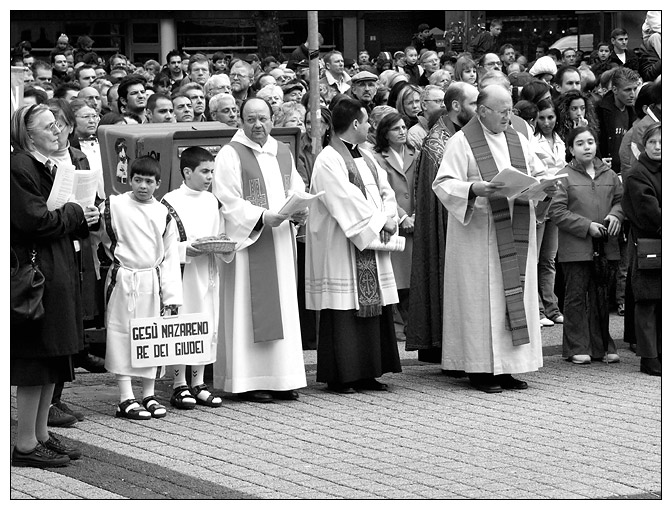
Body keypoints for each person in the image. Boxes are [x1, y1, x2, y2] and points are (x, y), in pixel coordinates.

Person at [432, 85, 551, 393]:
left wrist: (544, 186)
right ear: (483, 111)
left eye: (510, 110)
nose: (508, 117)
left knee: (511, 299)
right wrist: (474, 189)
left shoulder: (519, 139)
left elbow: (537, 173)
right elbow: (444, 183)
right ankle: (480, 369)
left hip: (515, 230)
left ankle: (510, 368)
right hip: (478, 237)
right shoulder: (462, 141)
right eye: (502, 111)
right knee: (482, 302)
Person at [11, 104, 99, 467]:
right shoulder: (19, 167)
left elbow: (60, 219)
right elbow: (34, 221)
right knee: (37, 359)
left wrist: (85, 217)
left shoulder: (53, 165)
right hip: (37, 270)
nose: (57, 132)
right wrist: (76, 213)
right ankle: (25, 443)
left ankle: (42, 432)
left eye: (59, 126)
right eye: (48, 127)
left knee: (55, 356)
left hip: (58, 266)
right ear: (27, 133)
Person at [211, 97, 307, 403]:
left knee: (284, 309)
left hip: (279, 243)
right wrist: (263, 217)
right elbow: (227, 200)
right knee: (249, 310)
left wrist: (301, 209)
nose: (258, 125)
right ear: (241, 121)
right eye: (251, 119)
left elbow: (295, 188)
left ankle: (283, 377)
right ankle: (250, 380)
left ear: (273, 119)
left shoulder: (282, 151)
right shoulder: (231, 153)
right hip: (250, 244)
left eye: (263, 119)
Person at [306, 97, 402, 394]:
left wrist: (389, 216)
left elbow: (386, 190)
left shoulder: (367, 155)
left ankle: (368, 372)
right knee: (344, 308)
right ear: (356, 124)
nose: (371, 126)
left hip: (370, 240)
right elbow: (343, 200)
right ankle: (343, 375)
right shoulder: (328, 159)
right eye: (367, 121)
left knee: (373, 307)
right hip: (341, 245)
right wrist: (379, 222)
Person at [99, 156, 183, 420]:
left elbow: (170, 257)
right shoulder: (113, 206)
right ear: (130, 179)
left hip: (152, 280)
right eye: (137, 180)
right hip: (124, 278)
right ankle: (125, 396)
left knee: (151, 337)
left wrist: (172, 297)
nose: (142, 186)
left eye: (149, 181)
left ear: (158, 184)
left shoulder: (163, 213)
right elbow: (99, 235)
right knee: (121, 334)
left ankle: (149, 393)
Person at [406, 82, 478, 363]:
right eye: (473, 103)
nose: (477, 108)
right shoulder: (439, 143)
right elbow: (440, 196)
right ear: (456, 106)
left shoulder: (462, 134)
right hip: (448, 224)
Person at [548, 126, 623, 365]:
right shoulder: (563, 176)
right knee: (576, 297)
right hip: (576, 248)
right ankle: (576, 346)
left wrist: (616, 215)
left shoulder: (609, 174)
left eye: (590, 142)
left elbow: (621, 201)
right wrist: (586, 225)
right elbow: (557, 211)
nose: (587, 147)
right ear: (571, 149)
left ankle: (602, 346)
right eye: (580, 143)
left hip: (605, 246)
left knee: (601, 297)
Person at [161, 147, 228, 409]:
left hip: (208, 270)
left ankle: (198, 382)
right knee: (183, 325)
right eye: (205, 171)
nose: (210, 177)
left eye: (212, 171)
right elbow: (163, 244)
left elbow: (218, 232)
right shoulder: (170, 200)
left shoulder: (211, 200)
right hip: (183, 273)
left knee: (206, 324)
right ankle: (179, 384)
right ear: (187, 172)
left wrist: (222, 245)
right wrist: (184, 249)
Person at [621, 123, 661, 376]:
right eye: (653, 142)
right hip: (648, 243)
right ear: (643, 145)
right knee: (647, 301)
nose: (658, 147)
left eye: (663, 142)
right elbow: (648, 213)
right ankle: (649, 357)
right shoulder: (638, 173)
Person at [373, 111, 418, 336]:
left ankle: (411, 324)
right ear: (385, 133)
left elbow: (422, 185)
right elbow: (385, 192)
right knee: (395, 275)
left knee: (412, 275)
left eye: (404, 127)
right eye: (396, 129)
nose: (402, 132)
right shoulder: (378, 158)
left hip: (415, 221)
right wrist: (402, 216)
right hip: (394, 221)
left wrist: (417, 215)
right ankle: (396, 326)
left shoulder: (415, 153)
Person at [533, 98, 565, 328]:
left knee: (549, 259)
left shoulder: (561, 141)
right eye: (542, 118)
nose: (546, 122)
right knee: (534, 259)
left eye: (550, 117)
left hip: (557, 202)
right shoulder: (533, 141)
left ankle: (552, 307)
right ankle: (538, 309)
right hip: (540, 201)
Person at [407, 85, 444, 150]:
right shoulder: (414, 134)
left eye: (445, 101)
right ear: (424, 105)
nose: (443, 105)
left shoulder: (450, 127)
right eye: (438, 101)